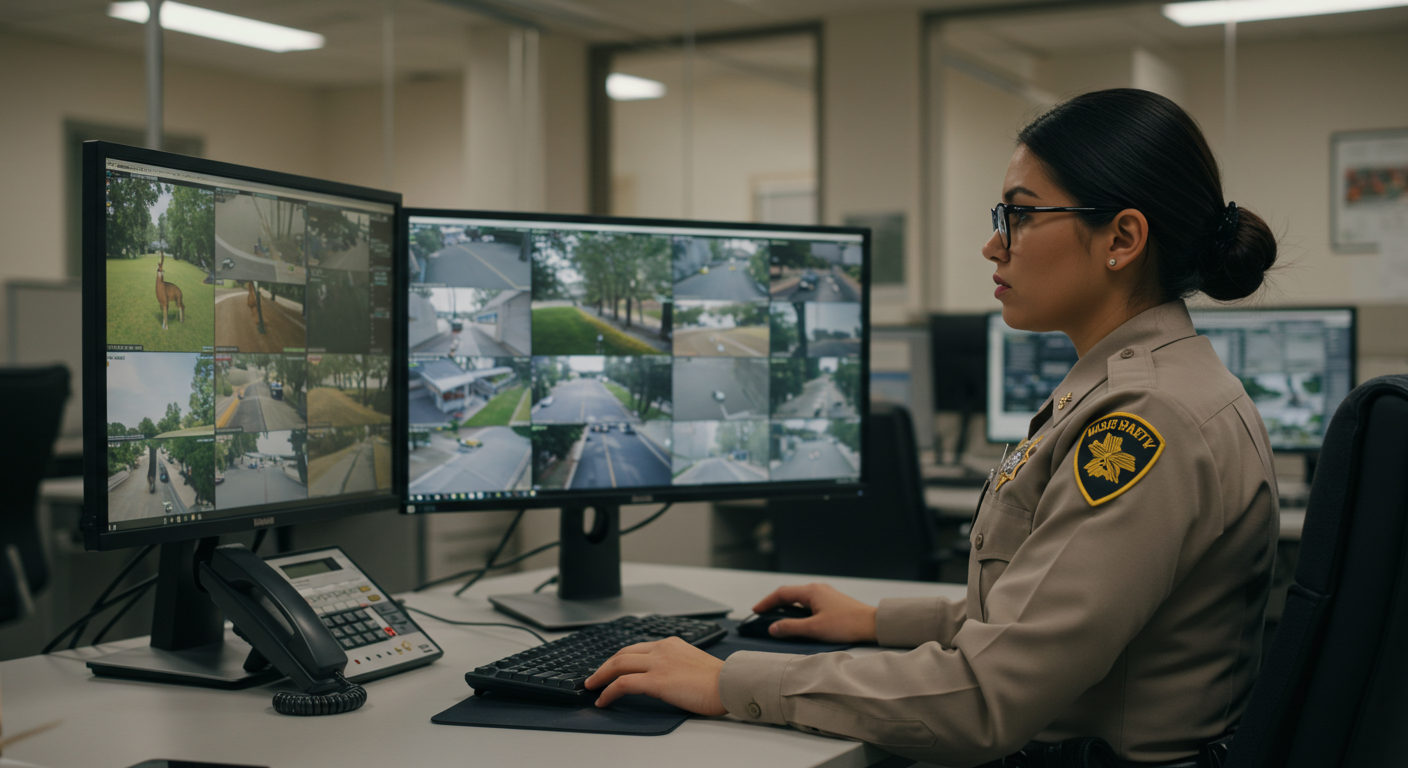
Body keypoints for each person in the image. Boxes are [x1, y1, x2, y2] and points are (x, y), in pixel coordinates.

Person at [585, 88, 1281, 767]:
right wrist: (873, 620)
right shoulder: (1140, 386)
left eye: (1020, 215)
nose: (992, 245)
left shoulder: (1146, 420)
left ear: (1122, 238)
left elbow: (984, 698)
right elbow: (1037, 621)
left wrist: (728, 681)